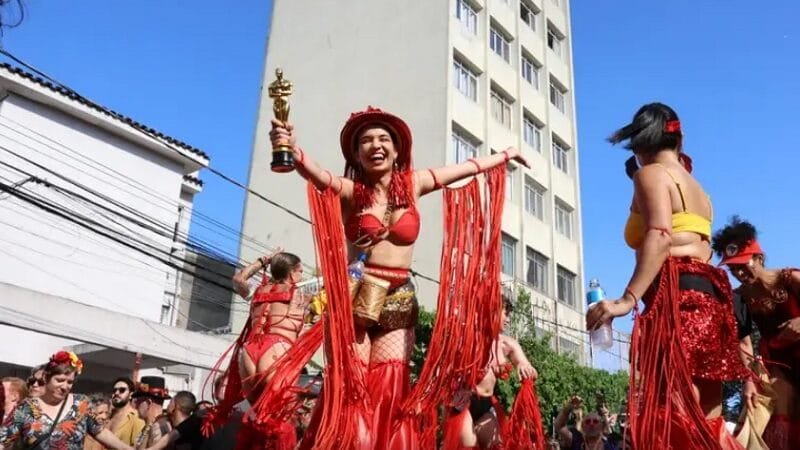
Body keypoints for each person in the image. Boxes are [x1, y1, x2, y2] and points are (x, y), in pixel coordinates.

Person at [271, 106, 526, 448]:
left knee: (389, 390)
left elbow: (464, 168)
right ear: (356, 153)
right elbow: (318, 175)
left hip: (398, 298)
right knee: (353, 394)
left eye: (383, 138)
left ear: (396, 149)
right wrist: (293, 149)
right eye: (366, 140)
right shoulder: (349, 190)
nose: (375, 145)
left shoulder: (414, 184)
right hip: (354, 300)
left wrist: (505, 156)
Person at [585, 102, 749, 449]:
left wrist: (627, 299)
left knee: (671, 410)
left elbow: (659, 234)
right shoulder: (698, 189)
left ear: (640, 143)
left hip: (676, 295)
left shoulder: (651, 175)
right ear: (680, 138)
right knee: (707, 415)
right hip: (710, 296)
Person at [712, 217, 800, 450]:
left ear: (759, 258)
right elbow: (743, 342)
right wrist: (749, 379)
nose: (739, 273)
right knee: (782, 410)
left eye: (742, 265)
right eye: (733, 268)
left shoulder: (790, 279)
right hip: (777, 361)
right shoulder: (738, 298)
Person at [207, 250, 309, 449]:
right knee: (280, 419)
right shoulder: (300, 295)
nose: (301, 277)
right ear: (292, 272)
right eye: (300, 272)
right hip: (277, 349)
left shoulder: (258, 292)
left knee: (257, 416)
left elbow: (238, 279)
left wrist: (265, 260)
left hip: (250, 352)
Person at [445, 296, 538, 449]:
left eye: (509, 314)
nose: (508, 319)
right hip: (463, 402)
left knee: (496, 446)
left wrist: (525, 367)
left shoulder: (507, 343)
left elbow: (526, 364)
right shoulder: (469, 336)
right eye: (506, 313)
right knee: (469, 445)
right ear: (493, 311)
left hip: (486, 404)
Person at [0, 350, 134, 450]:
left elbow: (100, 431)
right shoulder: (25, 408)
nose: (65, 386)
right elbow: (3, 441)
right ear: (46, 378)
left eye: (70, 382)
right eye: (60, 380)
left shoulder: (81, 404)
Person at [139, 391, 205, 450]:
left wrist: (149, 425)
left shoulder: (162, 426)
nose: (167, 405)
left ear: (176, 406)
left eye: (170, 402)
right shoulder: (196, 429)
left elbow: (139, 447)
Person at [132, 377, 172, 448]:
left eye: (139, 401)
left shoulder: (159, 428)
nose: (136, 405)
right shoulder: (149, 425)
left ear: (148, 402)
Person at [110, 377, 146, 446]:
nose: (116, 393)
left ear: (130, 395)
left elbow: (138, 447)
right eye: (114, 390)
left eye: (122, 390)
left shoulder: (137, 419)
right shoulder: (107, 415)